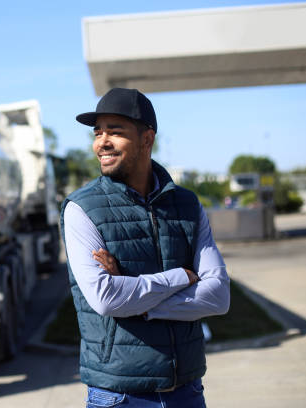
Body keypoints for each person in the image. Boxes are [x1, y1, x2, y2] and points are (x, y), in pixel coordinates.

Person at [60, 88, 230, 408]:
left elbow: (219, 296)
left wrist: (138, 303)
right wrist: (182, 276)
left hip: (187, 391)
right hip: (118, 396)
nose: (101, 142)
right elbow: (106, 298)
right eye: (98, 133)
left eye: (115, 132)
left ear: (147, 139)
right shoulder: (81, 208)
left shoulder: (187, 204)